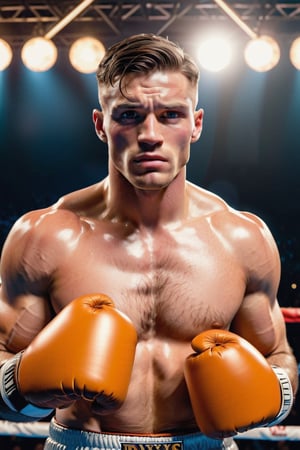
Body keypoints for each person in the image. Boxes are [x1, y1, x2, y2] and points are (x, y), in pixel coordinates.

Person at [0, 33, 298, 450]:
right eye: (128, 115)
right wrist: (26, 384)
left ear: (196, 125)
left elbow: (278, 356)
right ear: (101, 125)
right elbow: (4, 356)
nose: (150, 134)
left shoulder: (242, 238)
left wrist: (272, 394)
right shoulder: (45, 236)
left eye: (171, 114)